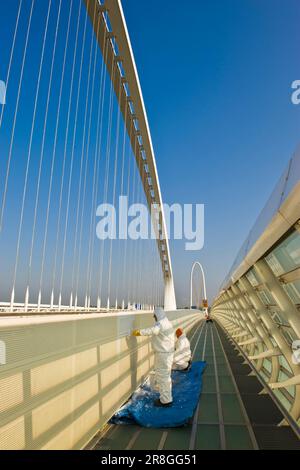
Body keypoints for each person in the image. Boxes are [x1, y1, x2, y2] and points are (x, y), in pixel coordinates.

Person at [132, 307, 174, 407]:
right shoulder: (167, 322)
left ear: (158, 315)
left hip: (163, 354)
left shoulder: (160, 324)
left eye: (154, 315)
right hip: (167, 353)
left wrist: (139, 332)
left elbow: (154, 331)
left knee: (162, 377)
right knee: (165, 376)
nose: (154, 317)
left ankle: (165, 401)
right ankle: (166, 398)